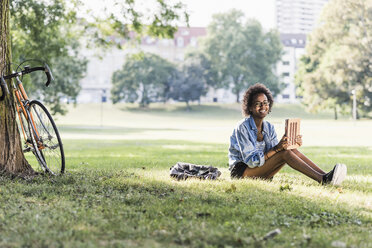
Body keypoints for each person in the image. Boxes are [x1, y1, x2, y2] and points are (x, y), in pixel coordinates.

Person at [228, 83, 347, 185]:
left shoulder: (269, 127)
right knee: (284, 153)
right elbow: (251, 161)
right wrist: (278, 149)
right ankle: (323, 180)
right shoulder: (242, 127)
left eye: (265, 102)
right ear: (250, 107)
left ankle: (325, 175)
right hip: (242, 172)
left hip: (260, 171)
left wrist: (288, 145)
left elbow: (275, 152)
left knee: (290, 150)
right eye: (258, 104)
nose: (263, 106)